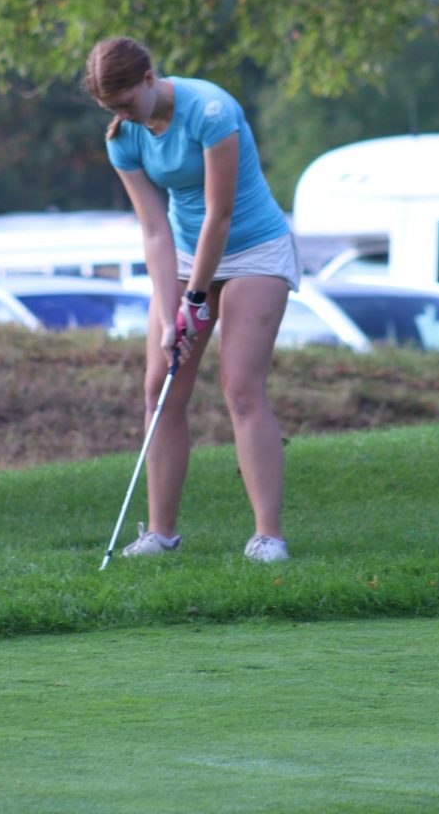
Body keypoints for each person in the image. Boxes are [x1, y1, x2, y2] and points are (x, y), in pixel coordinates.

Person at [85, 37, 300, 563]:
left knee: (241, 386)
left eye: (126, 103)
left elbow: (218, 215)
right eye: (111, 109)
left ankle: (268, 536)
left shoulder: (212, 110)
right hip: (184, 253)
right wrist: (168, 308)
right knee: (160, 386)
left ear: (149, 78)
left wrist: (195, 301)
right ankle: (161, 534)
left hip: (254, 249)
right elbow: (155, 232)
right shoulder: (124, 138)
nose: (122, 116)